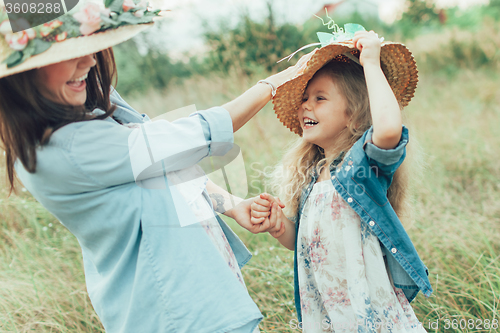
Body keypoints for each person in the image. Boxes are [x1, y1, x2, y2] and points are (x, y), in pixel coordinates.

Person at [0, 1, 312, 332]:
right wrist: (276, 82)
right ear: (24, 71)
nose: (89, 60)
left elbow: (162, 163)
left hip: (193, 284)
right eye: (68, 52)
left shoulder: (81, 106)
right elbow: (189, 136)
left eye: (90, 45)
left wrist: (231, 205)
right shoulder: (67, 147)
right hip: (172, 308)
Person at [250, 30, 433, 332]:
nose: (305, 106)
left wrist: (371, 63)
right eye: (305, 99)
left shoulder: (363, 167)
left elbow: (388, 131)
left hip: (370, 309)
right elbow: (304, 243)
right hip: (328, 313)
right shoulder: (312, 176)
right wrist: (278, 225)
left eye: (319, 98)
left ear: (354, 113)